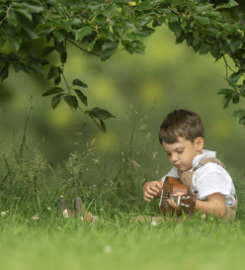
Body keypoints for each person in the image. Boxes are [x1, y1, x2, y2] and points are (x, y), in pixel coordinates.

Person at [141, 109, 237, 222]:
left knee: (162, 222)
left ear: (198, 144)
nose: (174, 158)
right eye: (168, 153)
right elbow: (161, 188)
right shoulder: (182, 167)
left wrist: (189, 202)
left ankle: (152, 221)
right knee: (178, 222)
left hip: (216, 220)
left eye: (180, 151)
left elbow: (219, 211)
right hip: (196, 215)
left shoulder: (210, 170)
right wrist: (150, 188)